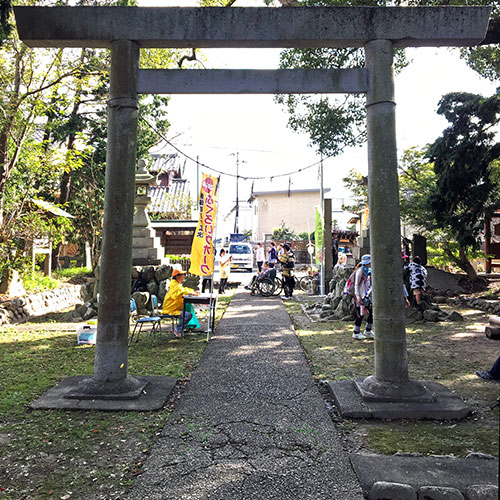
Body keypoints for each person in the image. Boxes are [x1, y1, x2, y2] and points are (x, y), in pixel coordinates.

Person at [162, 269, 199, 337]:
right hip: (170, 310)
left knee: (187, 314)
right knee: (188, 315)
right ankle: (178, 330)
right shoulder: (174, 285)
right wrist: (192, 293)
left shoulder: (176, 284)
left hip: (174, 309)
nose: (184, 276)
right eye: (182, 275)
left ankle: (179, 329)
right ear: (177, 276)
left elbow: (183, 289)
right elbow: (180, 292)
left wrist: (193, 291)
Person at [353, 254, 373, 340]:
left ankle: (368, 330)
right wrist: (358, 296)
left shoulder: (369, 271)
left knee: (371, 313)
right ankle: (356, 332)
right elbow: (356, 285)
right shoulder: (360, 271)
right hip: (361, 295)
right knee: (360, 314)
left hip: (367, 295)